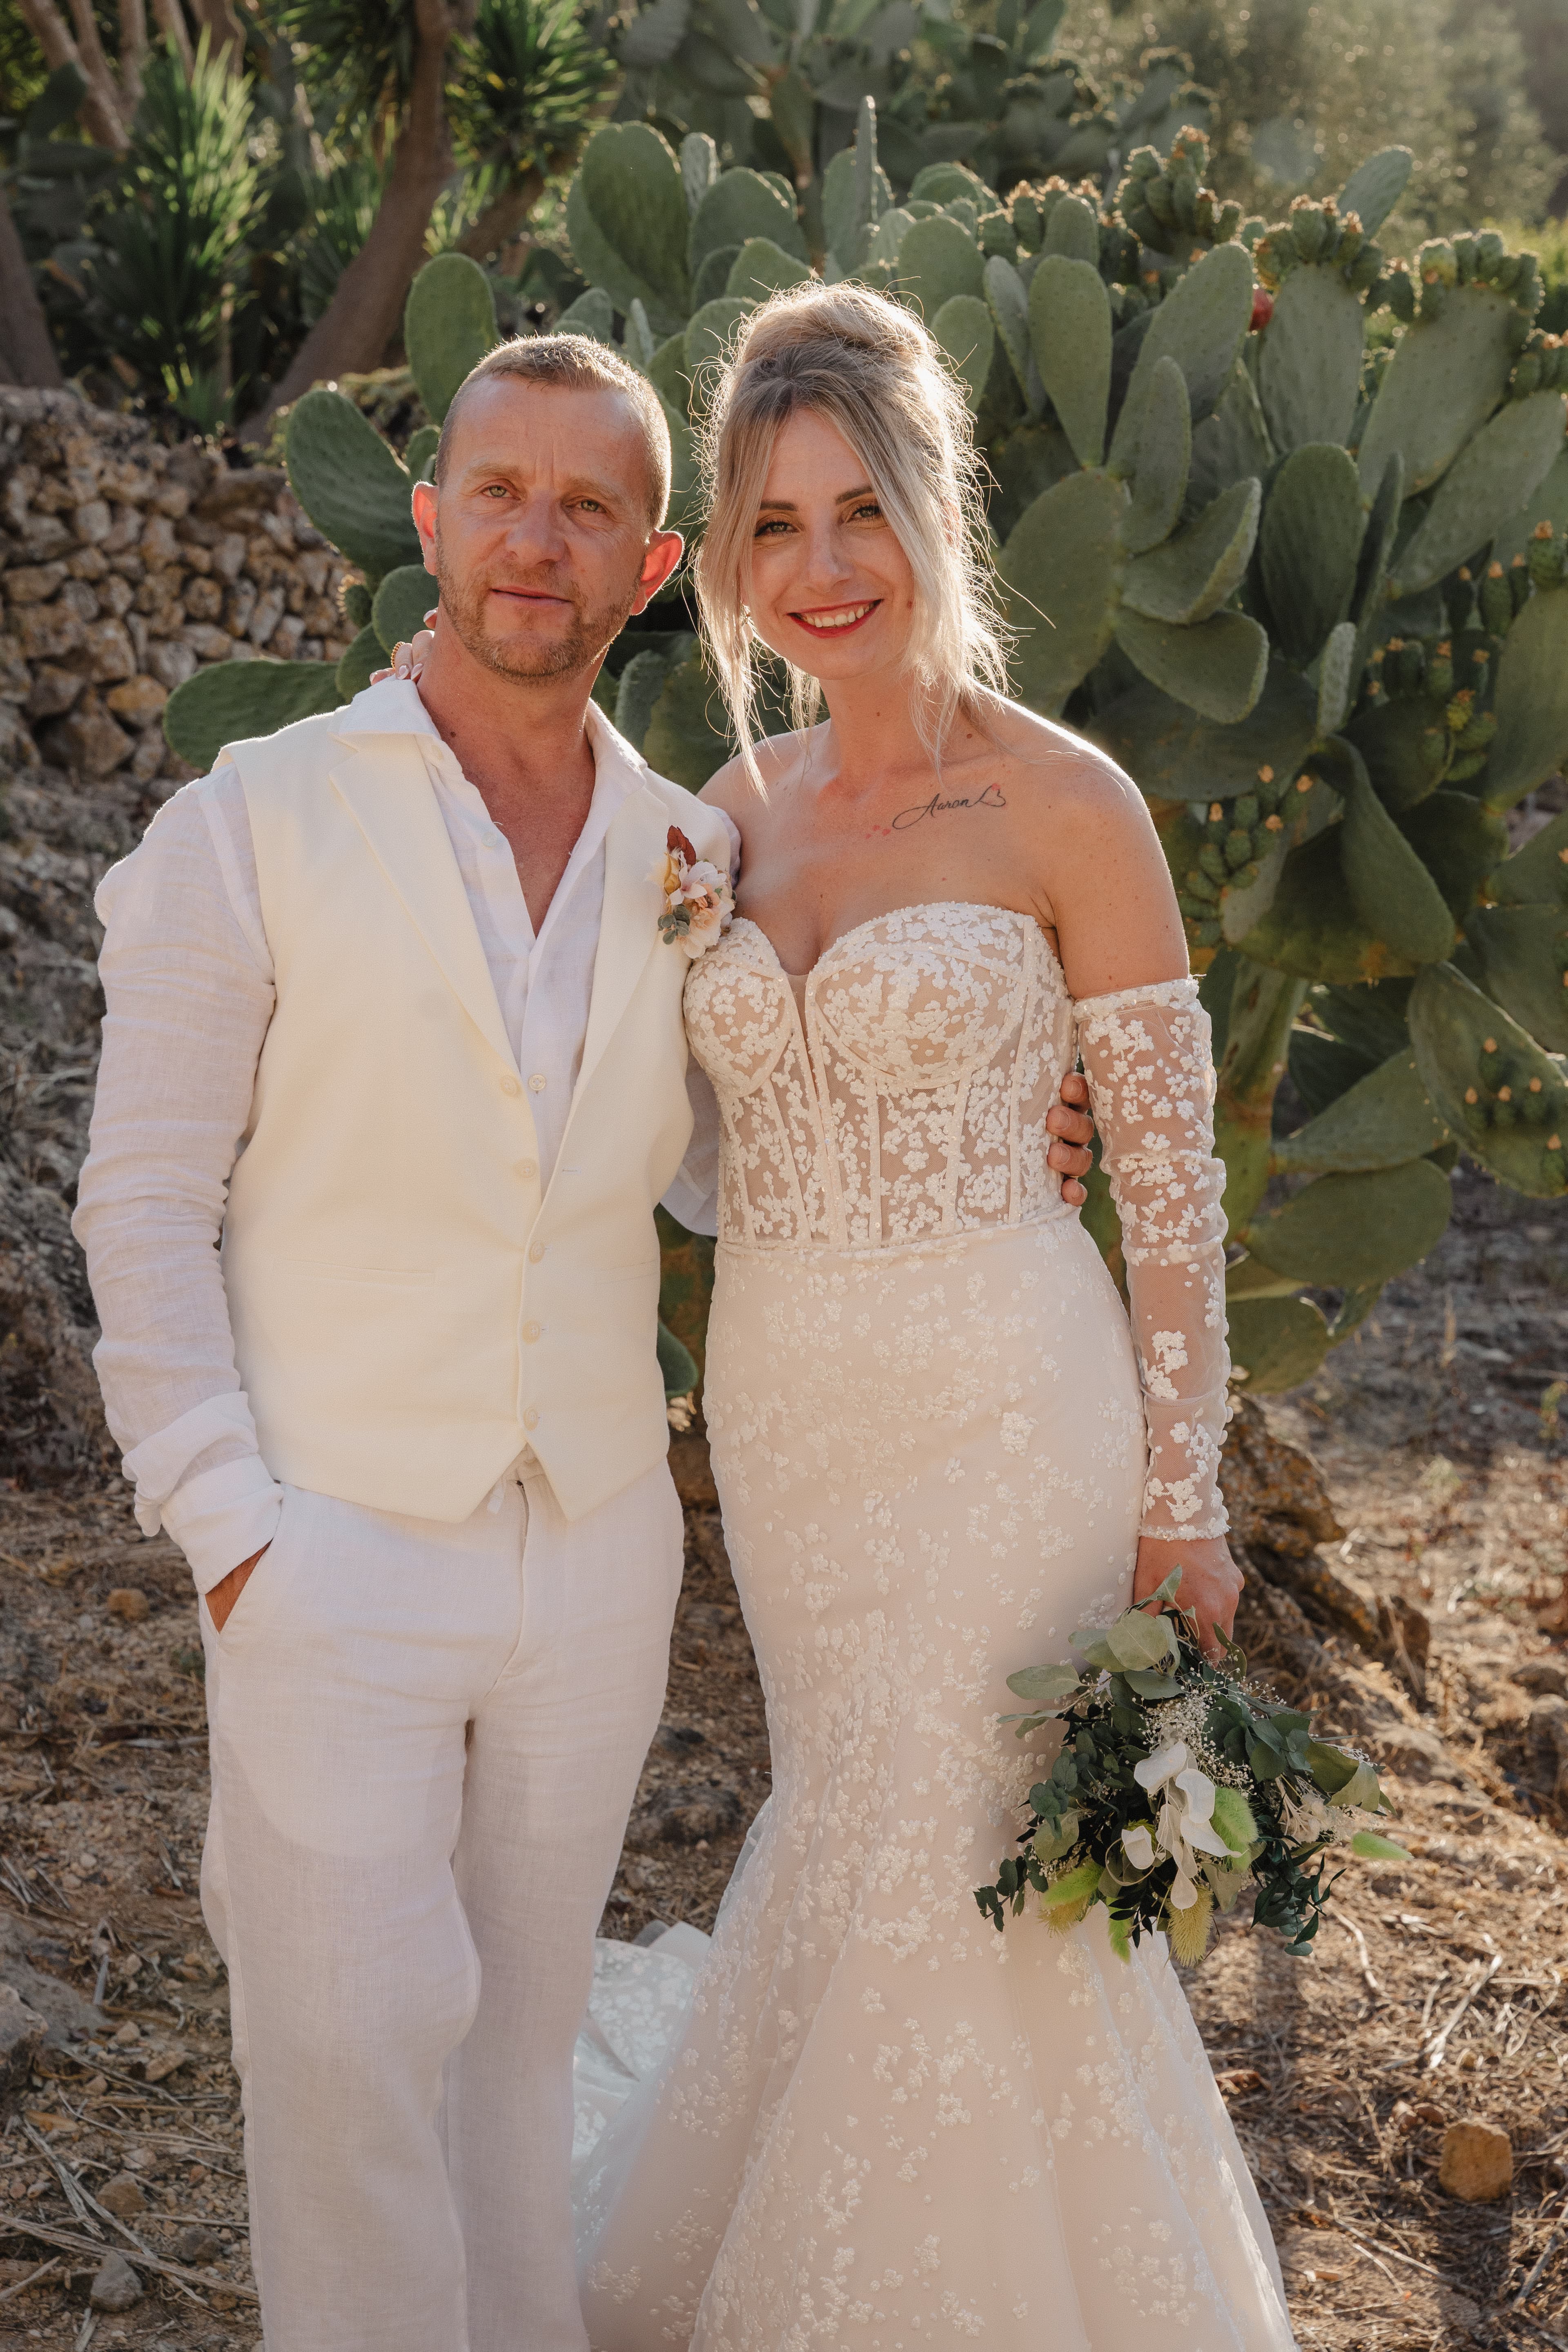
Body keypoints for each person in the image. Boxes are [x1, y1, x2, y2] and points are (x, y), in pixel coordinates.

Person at [71, 330, 1097, 2352]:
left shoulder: (688, 858)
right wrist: (230, 1530)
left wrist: (993, 1114)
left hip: (603, 1541)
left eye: (589, 506)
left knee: (518, 2059)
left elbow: (726, 1158)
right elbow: (141, 1199)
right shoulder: (252, 818)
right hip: (328, 1537)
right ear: (431, 521)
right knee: (346, 2058)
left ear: (651, 567)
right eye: (501, 494)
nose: (536, 540)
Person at [566, 284, 1292, 2348]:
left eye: (860, 510)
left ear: (937, 510)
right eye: (774, 526)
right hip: (790, 1416)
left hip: (1008, 1408)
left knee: (964, 1845)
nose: (823, 568)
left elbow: (1173, 1187)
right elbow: (682, 1134)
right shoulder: (726, 815)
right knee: (855, 1820)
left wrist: (1185, 1496)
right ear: (727, 557)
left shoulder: (1071, 807)